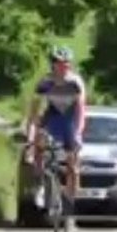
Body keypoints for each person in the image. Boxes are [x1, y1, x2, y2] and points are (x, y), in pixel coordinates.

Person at [23, 44, 86, 221]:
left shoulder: (75, 82)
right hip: (52, 118)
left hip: (70, 120)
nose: (64, 67)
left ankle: (70, 199)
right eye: (60, 63)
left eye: (67, 64)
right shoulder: (45, 83)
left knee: (72, 166)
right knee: (39, 140)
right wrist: (31, 135)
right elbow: (34, 111)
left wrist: (79, 132)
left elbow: (81, 110)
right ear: (53, 64)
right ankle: (41, 182)